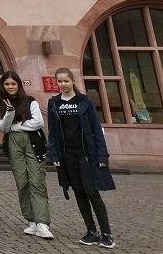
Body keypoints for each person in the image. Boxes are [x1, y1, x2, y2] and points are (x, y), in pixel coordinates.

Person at [47, 67, 115, 248]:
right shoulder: (54, 103)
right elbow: (52, 132)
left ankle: (106, 233)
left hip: (86, 153)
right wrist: (54, 154)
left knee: (91, 191)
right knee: (78, 192)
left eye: (66, 81)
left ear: (72, 81)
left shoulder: (84, 101)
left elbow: (96, 129)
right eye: (59, 81)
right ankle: (91, 231)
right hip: (67, 154)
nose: (63, 84)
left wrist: (102, 155)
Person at [0, 71, 53, 240]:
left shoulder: (30, 101)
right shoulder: (0, 104)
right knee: (22, 182)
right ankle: (32, 220)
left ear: (19, 84)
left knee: (37, 181)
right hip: (13, 144)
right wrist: (9, 114)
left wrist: (16, 126)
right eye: (7, 84)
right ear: (3, 86)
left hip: (33, 143)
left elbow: (38, 123)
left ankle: (42, 223)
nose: (10, 87)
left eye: (13, 84)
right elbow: (2, 128)